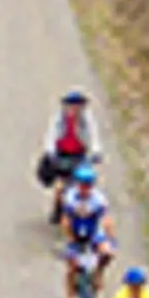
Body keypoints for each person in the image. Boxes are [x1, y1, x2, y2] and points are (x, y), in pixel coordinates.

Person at [58, 161, 117, 298]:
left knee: (108, 253)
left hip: (94, 235)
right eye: (83, 184)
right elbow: (65, 220)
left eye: (88, 185)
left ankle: (98, 272)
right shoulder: (70, 197)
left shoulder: (99, 199)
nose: (85, 188)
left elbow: (106, 220)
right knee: (71, 268)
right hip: (76, 235)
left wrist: (110, 239)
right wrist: (70, 238)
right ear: (77, 184)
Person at [38, 88, 101, 217]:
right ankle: (57, 208)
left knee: (82, 182)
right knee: (60, 185)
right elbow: (52, 134)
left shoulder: (86, 118)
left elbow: (93, 133)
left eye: (78, 105)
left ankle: (82, 210)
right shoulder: (59, 118)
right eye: (72, 105)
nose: (75, 108)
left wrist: (96, 150)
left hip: (78, 154)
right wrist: (50, 151)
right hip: (62, 154)